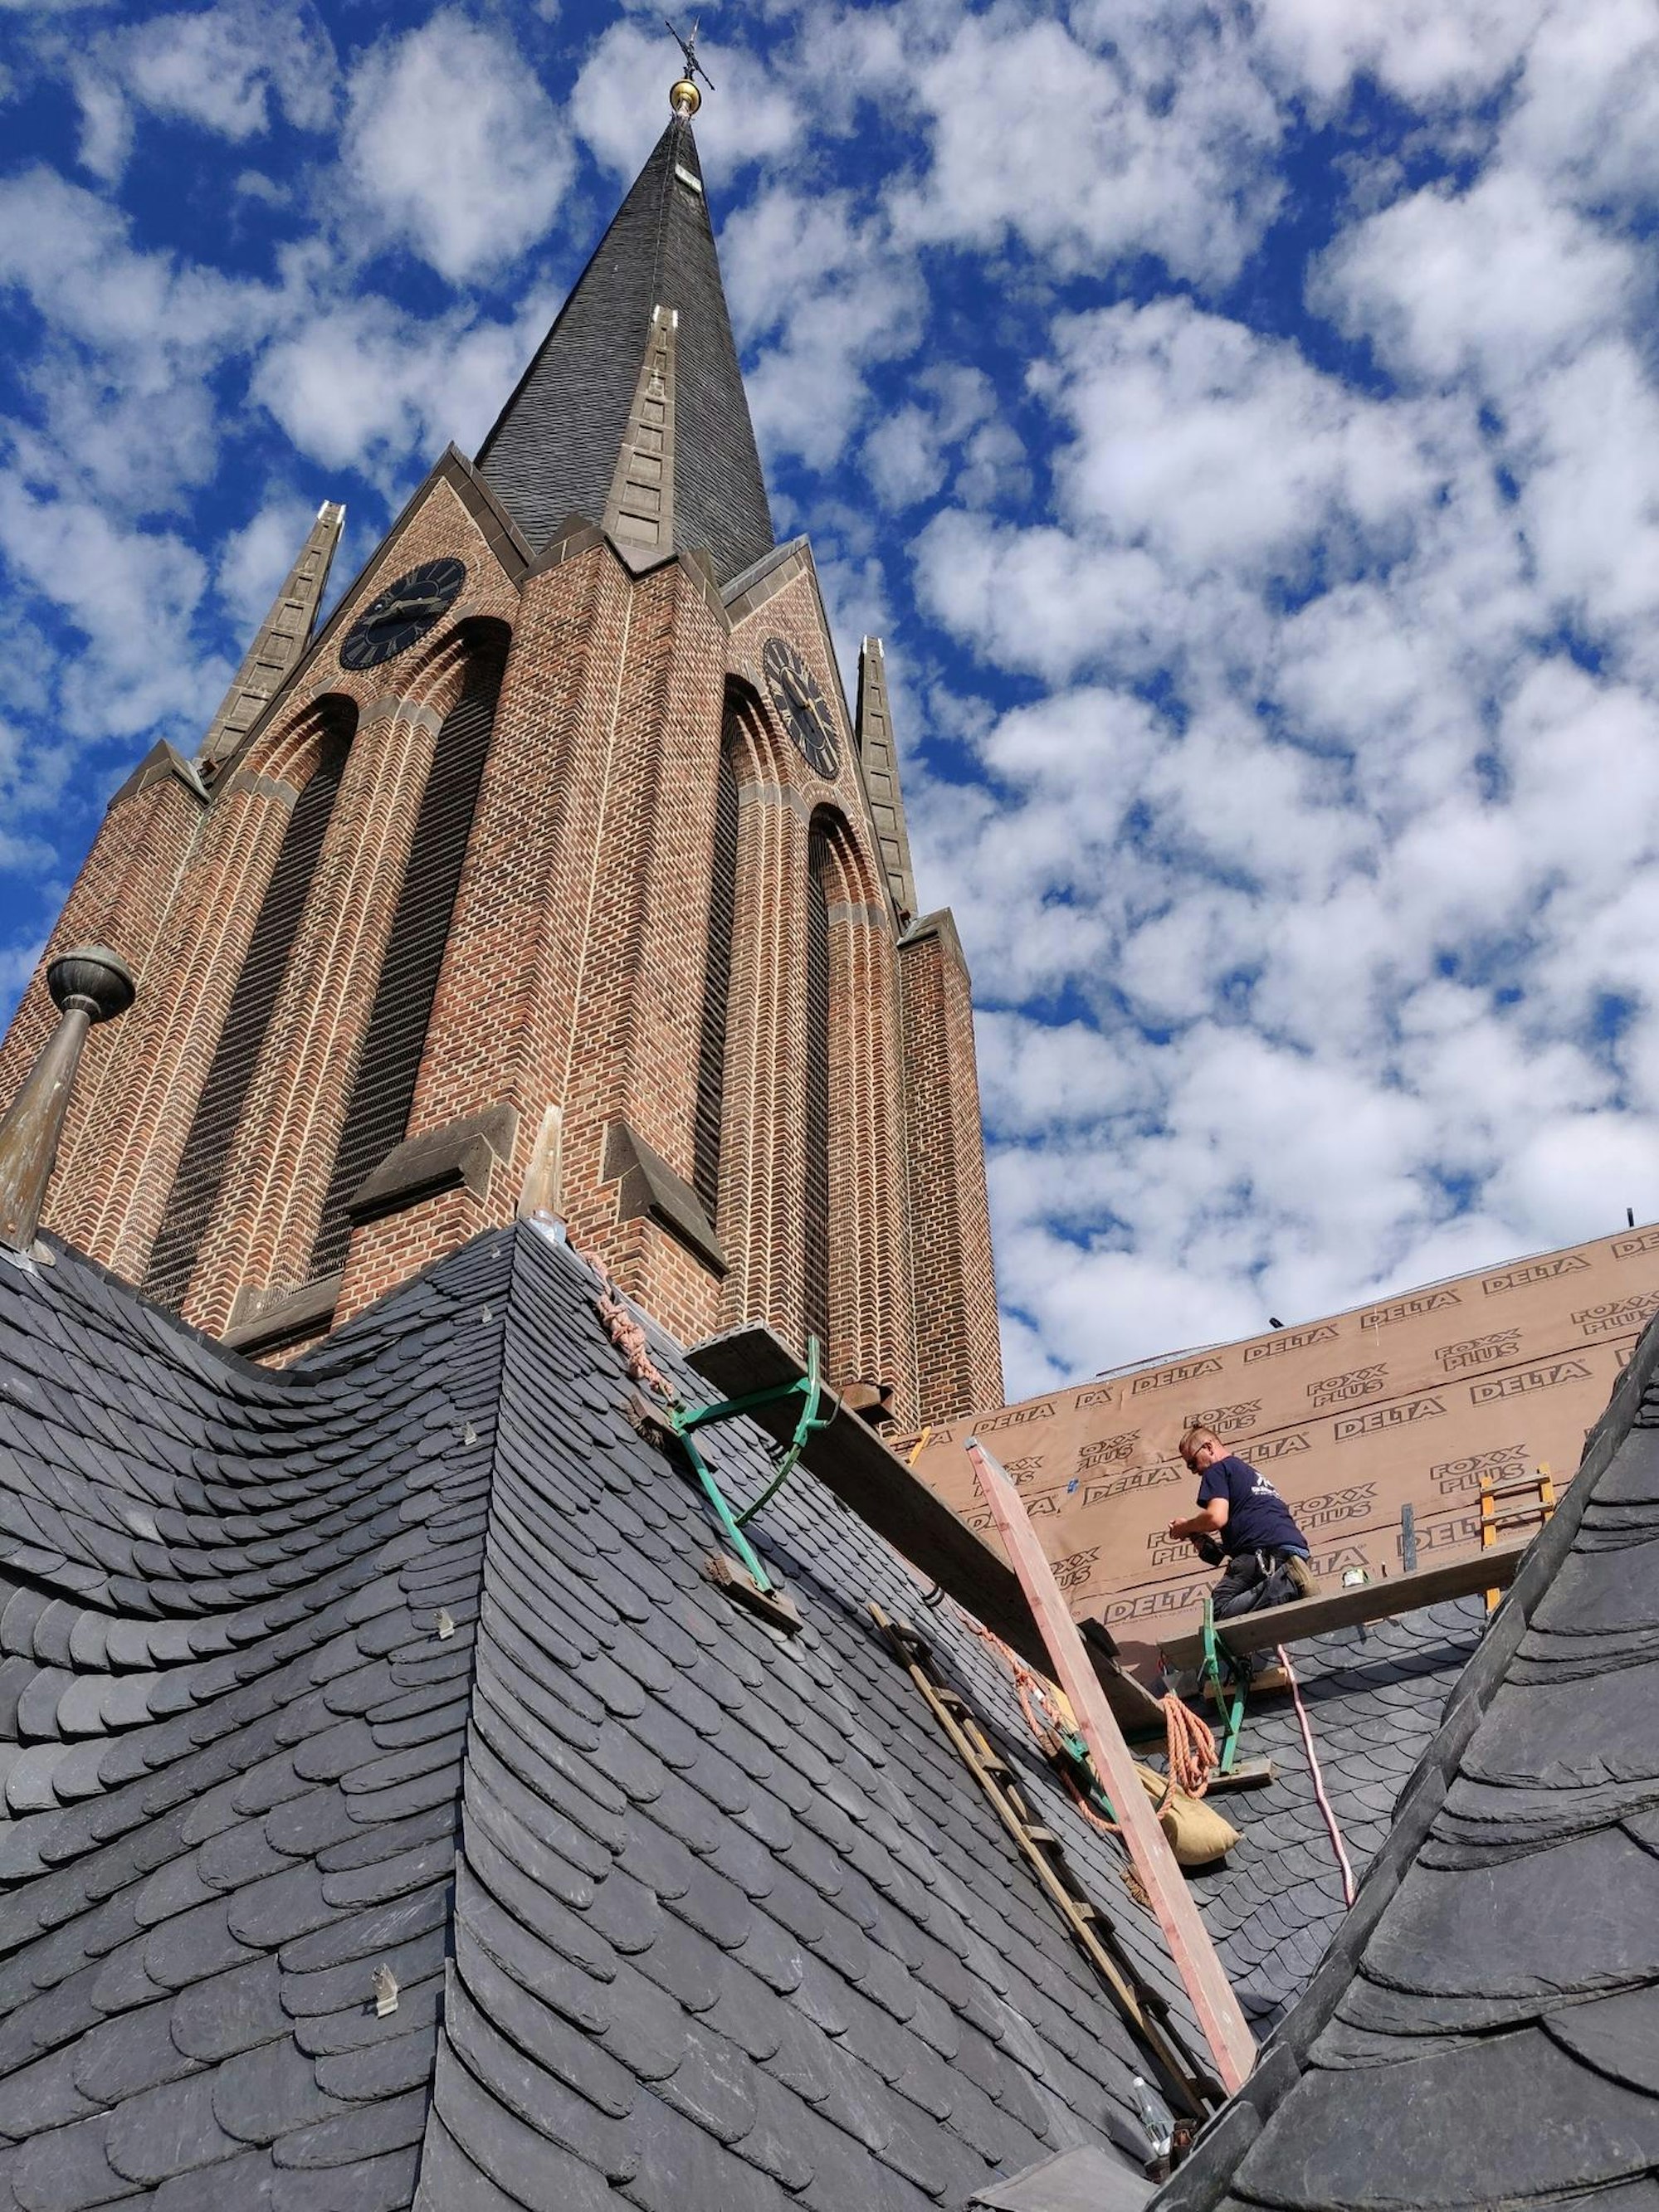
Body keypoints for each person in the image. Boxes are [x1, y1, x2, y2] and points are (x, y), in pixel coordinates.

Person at [1168, 1426, 1317, 1620]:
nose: (1195, 1471)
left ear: (1209, 1448)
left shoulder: (1217, 1469)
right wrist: (1198, 1537)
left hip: (1264, 1554)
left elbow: (1216, 1517)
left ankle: (1288, 1581)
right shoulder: (1245, 1472)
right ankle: (1289, 1581)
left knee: (1219, 1611)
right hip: (1292, 1552)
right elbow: (1250, 1527)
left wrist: (1185, 1527)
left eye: (1192, 1464)